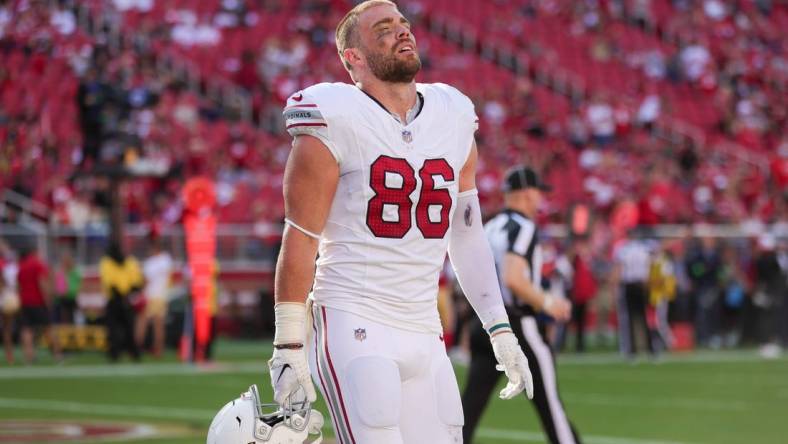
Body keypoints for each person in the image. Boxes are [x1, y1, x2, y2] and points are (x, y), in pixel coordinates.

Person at [267, 2, 533, 442]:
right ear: (353, 58)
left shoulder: (452, 113)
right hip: (354, 314)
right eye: (384, 29)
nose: (402, 32)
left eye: (404, 24)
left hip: (425, 325)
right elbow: (300, 237)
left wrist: (498, 327)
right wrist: (288, 343)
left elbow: (465, 235)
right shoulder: (334, 114)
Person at [462, 166, 582, 444]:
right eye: (538, 192)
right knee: (551, 407)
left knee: (468, 410)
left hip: (485, 323)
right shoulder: (524, 228)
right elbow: (514, 278)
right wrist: (548, 302)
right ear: (528, 193)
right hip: (517, 325)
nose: (540, 198)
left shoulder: (489, 226)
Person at [612, 229, 657, 359]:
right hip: (642, 285)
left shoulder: (623, 249)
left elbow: (618, 269)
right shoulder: (645, 248)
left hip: (629, 285)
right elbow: (652, 263)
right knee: (645, 318)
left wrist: (614, 285)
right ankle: (651, 349)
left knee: (630, 318)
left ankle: (632, 351)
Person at [16, 244, 62, 364]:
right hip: (38, 301)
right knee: (49, 327)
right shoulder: (38, 265)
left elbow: (19, 286)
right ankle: (57, 354)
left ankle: (29, 357)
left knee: (27, 329)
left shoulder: (21, 266)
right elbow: (42, 284)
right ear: (34, 252)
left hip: (25, 301)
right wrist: (48, 300)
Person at [99, 241, 143, 362]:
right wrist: (126, 294)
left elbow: (136, 282)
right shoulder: (108, 263)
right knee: (116, 329)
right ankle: (118, 352)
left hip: (123, 300)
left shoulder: (128, 262)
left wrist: (128, 293)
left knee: (126, 328)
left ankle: (130, 352)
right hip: (117, 300)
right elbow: (111, 283)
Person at [135, 239, 173, 357]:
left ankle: (137, 347)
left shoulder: (150, 263)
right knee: (159, 325)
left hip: (150, 296)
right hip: (162, 296)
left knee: (142, 322)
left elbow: (145, 281)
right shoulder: (166, 259)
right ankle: (158, 350)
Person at [53, 250, 81, 324]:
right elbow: (59, 288)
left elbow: (78, 286)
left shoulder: (75, 272)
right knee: (64, 318)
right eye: (65, 261)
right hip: (63, 300)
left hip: (72, 299)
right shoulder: (61, 273)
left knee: (73, 318)